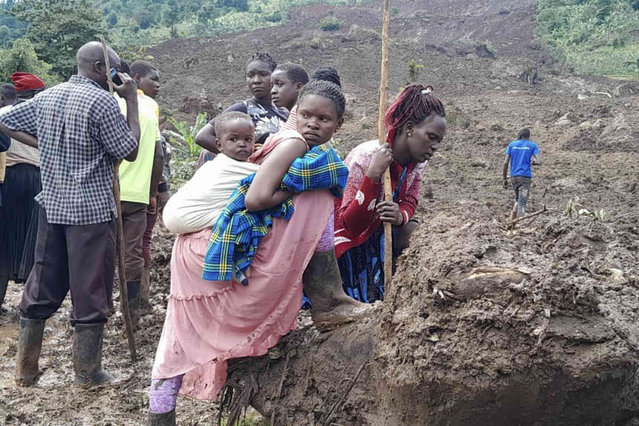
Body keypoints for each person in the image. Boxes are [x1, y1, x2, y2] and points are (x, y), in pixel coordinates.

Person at [148, 80, 364, 424]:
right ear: (295, 114)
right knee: (320, 190)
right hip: (206, 251)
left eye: (324, 119)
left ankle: (160, 416)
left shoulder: (299, 147)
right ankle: (329, 299)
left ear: (339, 124)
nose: (313, 123)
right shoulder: (292, 143)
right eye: (306, 114)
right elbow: (256, 199)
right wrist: (291, 195)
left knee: (180, 339)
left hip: (201, 245)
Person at [0, 41, 140, 388]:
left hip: (52, 207)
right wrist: (132, 101)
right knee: (91, 289)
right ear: (99, 69)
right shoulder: (103, 101)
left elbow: (4, 121)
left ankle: (26, 370)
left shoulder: (47, 97)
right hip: (90, 213)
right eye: (114, 71)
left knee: (42, 284)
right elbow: (130, 149)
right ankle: (88, 373)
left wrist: (41, 143)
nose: (117, 78)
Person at [334, 84, 447, 303]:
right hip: (349, 239)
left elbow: (411, 199)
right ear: (410, 127)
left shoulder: (416, 164)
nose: (434, 147)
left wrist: (400, 215)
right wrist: (373, 176)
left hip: (378, 232)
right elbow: (350, 224)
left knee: (415, 231)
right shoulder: (366, 157)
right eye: (431, 137)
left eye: (438, 141)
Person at [116, 60, 163, 324]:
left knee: (103, 251)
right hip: (136, 194)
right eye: (153, 79)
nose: (157, 85)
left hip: (108, 191)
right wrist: (153, 192)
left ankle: (102, 308)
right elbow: (158, 153)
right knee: (132, 252)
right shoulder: (148, 107)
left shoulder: (107, 103)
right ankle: (131, 312)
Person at [162, 112, 259, 235]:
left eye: (248, 139)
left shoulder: (212, 165)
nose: (242, 144)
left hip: (178, 220)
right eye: (233, 139)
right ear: (219, 145)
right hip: (193, 227)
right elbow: (275, 175)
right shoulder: (236, 168)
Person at [0, 74, 46, 312]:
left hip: (8, 182)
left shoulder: (4, 115)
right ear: (35, 94)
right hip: (36, 181)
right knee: (34, 244)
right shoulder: (42, 115)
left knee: (4, 243)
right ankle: (29, 307)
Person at [194, 52, 288, 167]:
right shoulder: (242, 109)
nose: (256, 80)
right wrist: (245, 159)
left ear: (274, 77)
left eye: (263, 74)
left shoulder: (284, 112)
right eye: (250, 75)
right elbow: (202, 136)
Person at [503, 128, 541, 220]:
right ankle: (520, 222)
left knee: (517, 200)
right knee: (522, 202)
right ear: (529, 136)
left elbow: (505, 163)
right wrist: (533, 162)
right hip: (525, 178)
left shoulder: (512, 145)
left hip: (514, 177)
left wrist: (504, 178)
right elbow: (539, 161)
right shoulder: (533, 145)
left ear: (519, 136)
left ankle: (512, 221)